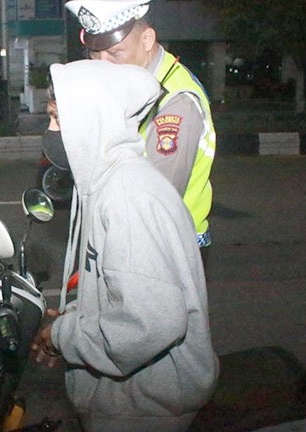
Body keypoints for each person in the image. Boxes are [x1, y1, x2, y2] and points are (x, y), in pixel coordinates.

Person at [30, 59, 219, 432]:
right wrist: (73, 322)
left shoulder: (128, 198)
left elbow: (149, 324)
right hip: (132, 406)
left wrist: (63, 334)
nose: (49, 132)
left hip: (144, 419)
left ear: (91, 119)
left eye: (56, 119)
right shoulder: (107, 183)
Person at [66, 0, 216, 266]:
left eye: (115, 53)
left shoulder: (175, 103)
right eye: (93, 54)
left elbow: (152, 201)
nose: (102, 65)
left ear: (147, 39)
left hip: (164, 250)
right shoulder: (132, 83)